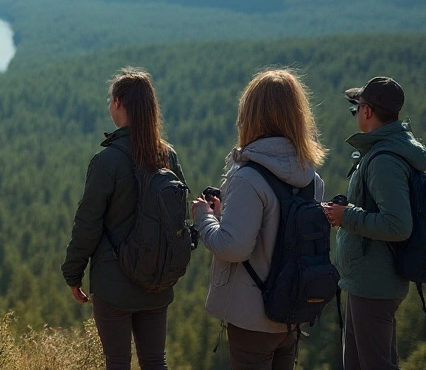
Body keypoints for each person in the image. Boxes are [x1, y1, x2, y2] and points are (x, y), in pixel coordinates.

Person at [192, 69, 328, 370]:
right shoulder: (311, 179)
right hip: (291, 311)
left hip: (251, 317)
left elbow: (234, 248)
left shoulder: (248, 177)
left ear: (252, 114)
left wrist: (205, 219)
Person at [61, 67, 184, 370]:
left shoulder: (107, 161)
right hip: (157, 281)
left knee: (117, 363)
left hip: (114, 285)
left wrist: (73, 274)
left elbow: (87, 224)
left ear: (118, 102)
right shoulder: (167, 156)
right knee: (155, 361)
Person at [324, 76, 426, 370]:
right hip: (368, 280)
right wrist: (347, 213)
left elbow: (398, 225)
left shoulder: (383, 160)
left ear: (367, 111)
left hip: (374, 282)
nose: (355, 113)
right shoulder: (388, 151)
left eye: (355, 108)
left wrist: (347, 217)